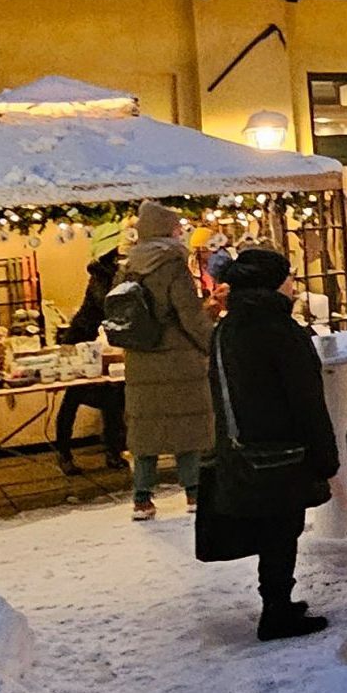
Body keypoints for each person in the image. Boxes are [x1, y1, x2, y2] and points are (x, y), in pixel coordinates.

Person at [196, 248, 336, 642]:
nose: (293, 283)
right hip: (282, 450)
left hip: (243, 448)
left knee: (273, 528)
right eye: (288, 276)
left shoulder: (227, 328)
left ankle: (278, 602)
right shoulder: (280, 330)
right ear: (274, 283)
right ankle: (276, 611)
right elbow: (307, 400)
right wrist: (325, 455)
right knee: (282, 529)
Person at [116, 200, 216, 521]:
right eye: (176, 228)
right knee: (187, 428)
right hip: (179, 359)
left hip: (140, 359)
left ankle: (142, 499)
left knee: (145, 432)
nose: (180, 234)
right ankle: (194, 493)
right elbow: (190, 317)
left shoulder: (127, 267)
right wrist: (213, 344)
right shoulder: (172, 265)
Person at [54, 222, 126, 475]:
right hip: (79, 342)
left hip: (96, 343)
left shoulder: (108, 275)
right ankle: (64, 453)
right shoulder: (101, 278)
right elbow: (107, 306)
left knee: (112, 397)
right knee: (75, 396)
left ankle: (113, 452)